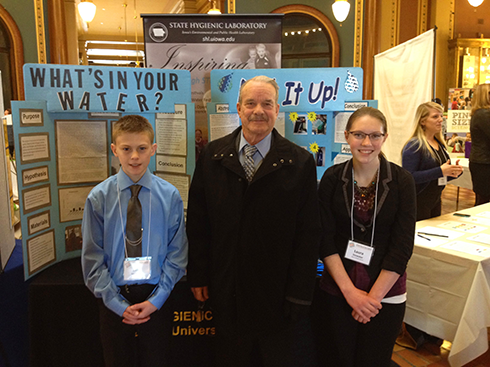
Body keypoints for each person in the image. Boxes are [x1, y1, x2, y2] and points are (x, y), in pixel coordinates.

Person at [186, 75, 321, 367]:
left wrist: (300, 293)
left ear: (277, 110)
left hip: (277, 295)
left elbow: (308, 234)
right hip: (226, 289)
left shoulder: (299, 163)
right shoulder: (212, 156)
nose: (258, 110)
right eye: (251, 103)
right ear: (238, 108)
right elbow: (199, 223)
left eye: (267, 103)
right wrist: (198, 274)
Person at [81, 115, 188, 367]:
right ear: (114, 150)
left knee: (157, 359)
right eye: (126, 149)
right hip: (114, 296)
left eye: (142, 149)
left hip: (156, 297)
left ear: (153, 149)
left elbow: (177, 253)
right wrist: (117, 305)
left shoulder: (169, 196)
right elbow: (92, 256)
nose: (134, 157)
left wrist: (157, 300)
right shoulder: (98, 198)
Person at [313, 107, 416, 367]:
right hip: (338, 291)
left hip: (385, 296)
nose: (367, 143)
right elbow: (324, 239)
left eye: (374, 135)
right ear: (347, 136)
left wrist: (370, 299)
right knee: (337, 359)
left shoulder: (402, 181)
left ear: (385, 137)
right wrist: (351, 294)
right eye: (359, 135)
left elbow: (402, 246)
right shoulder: (332, 179)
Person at [402, 102, 463, 221]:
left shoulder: (439, 144)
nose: (440, 120)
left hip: (435, 199)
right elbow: (409, 178)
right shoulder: (415, 146)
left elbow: (436, 178)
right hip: (417, 202)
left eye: (441, 116)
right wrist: (440, 171)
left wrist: (452, 173)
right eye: (435, 116)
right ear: (422, 121)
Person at [469, 83, 490, 205]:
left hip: (482, 162)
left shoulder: (480, 114)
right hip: (484, 164)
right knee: (484, 201)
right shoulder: (484, 114)